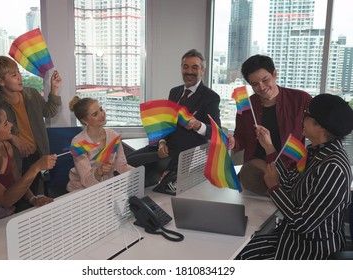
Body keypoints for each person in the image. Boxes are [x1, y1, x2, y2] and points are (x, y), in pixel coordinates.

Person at [236, 94, 353, 259]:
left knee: (240, 258)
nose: (301, 119)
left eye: (306, 115)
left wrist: (274, 188)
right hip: (289, 237)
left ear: (321, 127)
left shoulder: (332, 168)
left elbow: (303, 223)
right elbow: (291, 184)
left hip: (309, 251)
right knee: (239, 252)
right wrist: (269, 148)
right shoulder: (318, 153)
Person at [127, 49, 221, 185]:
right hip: (163, 147)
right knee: (125, 161)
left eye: (195, 67)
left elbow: (216, 132)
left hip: (182, 154)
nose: (189, 71)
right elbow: (167, 123)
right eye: (185, 66)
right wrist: (161, 142)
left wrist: (197, 125)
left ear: (203, 71)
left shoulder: (210, 97)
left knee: (130, 166)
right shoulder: (175, 92)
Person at [0, 56, 62, 210]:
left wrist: (55, 89)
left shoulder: (31, 94)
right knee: (16, 203)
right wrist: (13, 138)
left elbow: (50, 111)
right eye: (13, 75)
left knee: (36, 201)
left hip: (37, 155)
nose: (19, 77)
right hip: (13, 160)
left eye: (18, 72)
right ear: (0, 81)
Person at [0, 101, 57, 227]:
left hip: (7, 215)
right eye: (6, 123)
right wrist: (36, 168)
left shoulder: (6, 147)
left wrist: (33, 199)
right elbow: (6, 199)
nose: (11, 125)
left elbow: (16, 181)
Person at [228, 54, 312, 195]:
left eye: (265, 80)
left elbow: (316, 131)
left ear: (274, 74)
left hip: (290, 171)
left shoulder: (300, 99)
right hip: (255, 172)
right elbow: (241, 137)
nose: (261, 87)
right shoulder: (246, 105)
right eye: (254, 84)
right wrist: (233, 142)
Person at [67, 96, 134, 192]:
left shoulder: (113, 135)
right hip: (82, 190)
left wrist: (141, 173)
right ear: (84, 121)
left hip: (106, 187)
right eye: (95, 114)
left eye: (101, 109)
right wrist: (99, 172)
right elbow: (86, 181)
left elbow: (122, 167)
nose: (102, 114)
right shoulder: (78, 142)